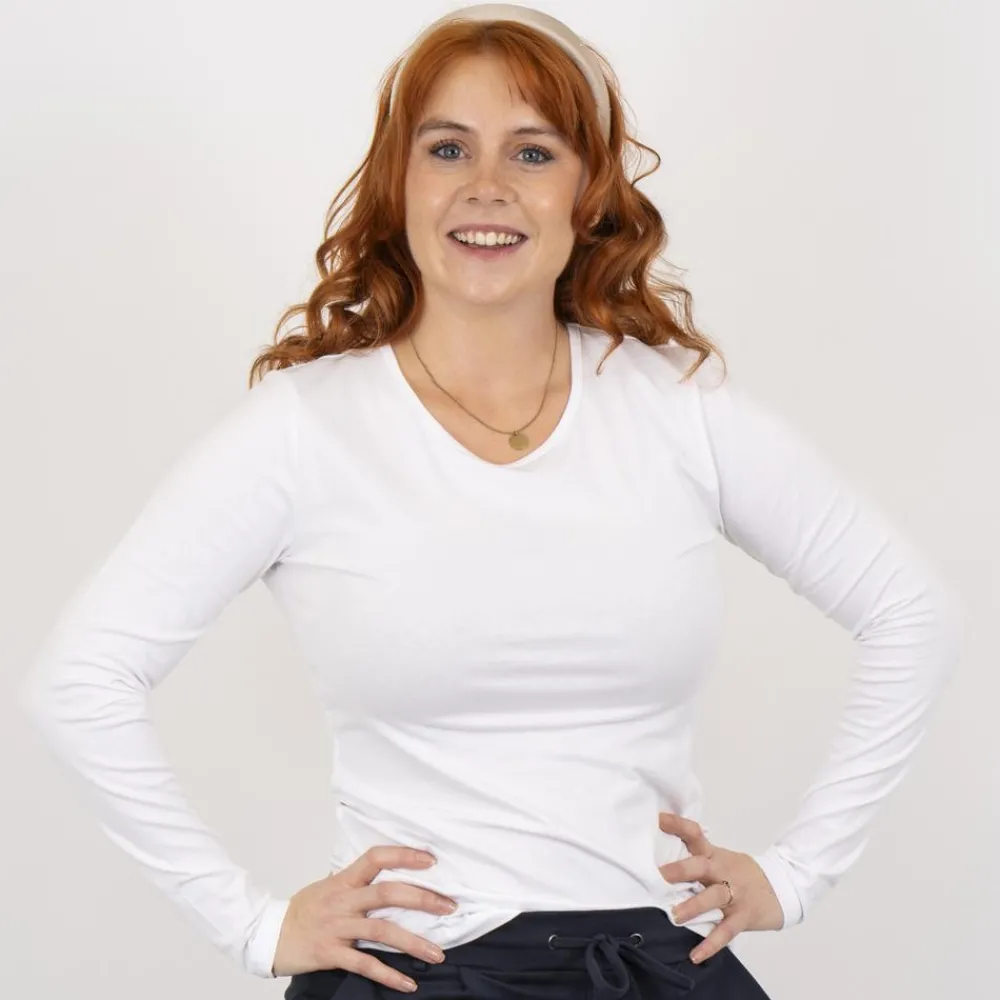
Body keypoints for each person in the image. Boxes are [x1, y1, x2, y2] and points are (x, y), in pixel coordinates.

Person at [19, 4, 964, 999]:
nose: (487, 185)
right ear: (399, 184)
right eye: (447, 148)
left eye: (532, 152)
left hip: (651, 968)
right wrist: (253, 925)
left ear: (587, 195)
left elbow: (913, 613)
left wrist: (797, 874)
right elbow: (79, 681)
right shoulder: (305, 427)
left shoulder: (675, 407)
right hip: (414, 973)